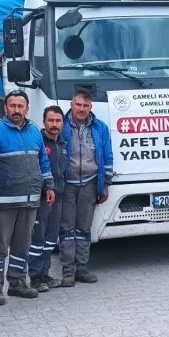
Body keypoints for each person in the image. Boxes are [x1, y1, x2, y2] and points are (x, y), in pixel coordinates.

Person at [0, 91, 55, 305]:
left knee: (22, 245)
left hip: (31, 200)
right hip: (4, 202)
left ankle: (17, 282)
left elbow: (43, 163)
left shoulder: (35, 132)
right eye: (12, 106)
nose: (16, 110)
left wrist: (48, 185)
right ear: (5, 108)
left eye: (20, 106)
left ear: (27, 108)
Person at [60, 88, 113, 286]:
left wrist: (105, 184)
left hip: (90, 184)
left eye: (86, 105)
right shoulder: (61, 125)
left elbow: (107, 156)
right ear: (71, 104)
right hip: (67, 186)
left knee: (83, 228)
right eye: (78, 105)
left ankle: (82, 268)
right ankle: (68, 271)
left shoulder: (100, 128)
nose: (81, 109)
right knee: (66, 229)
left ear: (91, 107)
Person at [29, 106, 68, 292]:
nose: (54, 125)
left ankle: (45, 273)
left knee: (51, 239)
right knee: (38, 238)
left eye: (58, 121)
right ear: (44, 122)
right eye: (51, 121)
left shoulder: (63, 143)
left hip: (59, 197)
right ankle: (35, 276)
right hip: (42, 197)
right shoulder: (38, 142)